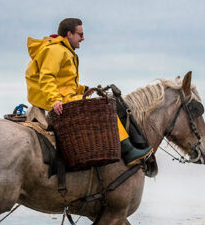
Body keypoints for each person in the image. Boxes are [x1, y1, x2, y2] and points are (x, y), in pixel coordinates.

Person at [25, 18, 152, 165]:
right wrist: (54, 100)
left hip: (62, 95)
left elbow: (64, 82)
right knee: (103, 108)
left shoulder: (64, 50)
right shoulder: (56, 51)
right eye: (80, 34)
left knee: (105, 102)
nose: (83, 38)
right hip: (54, 99)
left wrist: (84, 89)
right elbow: (47, 77)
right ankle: (128, 150)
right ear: (69, 34)